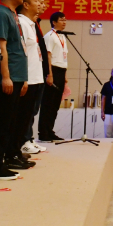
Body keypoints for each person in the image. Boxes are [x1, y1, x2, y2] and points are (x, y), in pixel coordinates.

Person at [0, 0, 28, 180]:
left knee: (10, 122)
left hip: (18, 76)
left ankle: (3, 160)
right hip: (9, 75)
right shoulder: (1, 13)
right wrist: (5, 76)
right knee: (0, 122)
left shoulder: (13, 14)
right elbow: (1, 46)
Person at [15, 0, 47, 157]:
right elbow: (20, 53)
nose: (41, 4)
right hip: (27, 78)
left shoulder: (32, 24)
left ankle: (24, 142)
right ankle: (19, 146)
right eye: (36, 1)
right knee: (21, 117)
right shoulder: (21, 22)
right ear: (26, 5)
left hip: (36, 77)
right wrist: (24, 78)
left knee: (29, 114)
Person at [40, 12, 68, 142]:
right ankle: (43, 132)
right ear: (54, 22)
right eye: (61, 20)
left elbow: (64, 57)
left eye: (65, 20)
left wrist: (65, 75)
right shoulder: (49, 36)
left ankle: (50, 130)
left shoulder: (62, 36)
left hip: (61, 71)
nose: (64, 22)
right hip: (53, 70)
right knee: (48, 103)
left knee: (55, 104)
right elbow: (48, 56)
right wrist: (49, 74)